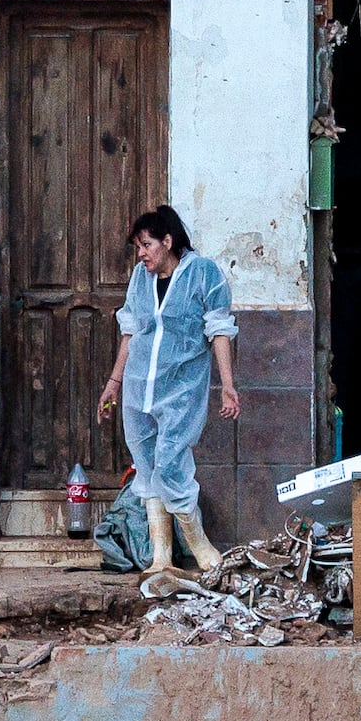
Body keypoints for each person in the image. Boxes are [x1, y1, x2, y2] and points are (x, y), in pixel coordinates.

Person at [96, 203, 241, 575]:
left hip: (181, 390)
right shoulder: (139, 279)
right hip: (138, 389)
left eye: (145, 245)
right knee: (147, 467)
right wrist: (113, 382)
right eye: (138, 248)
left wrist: (227, 385)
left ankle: (203, 550)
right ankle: (161, 558)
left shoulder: (204, 274)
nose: (140, 254)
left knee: (171, 463)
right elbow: (131, 330)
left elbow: (220, 330)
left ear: (167, 241)